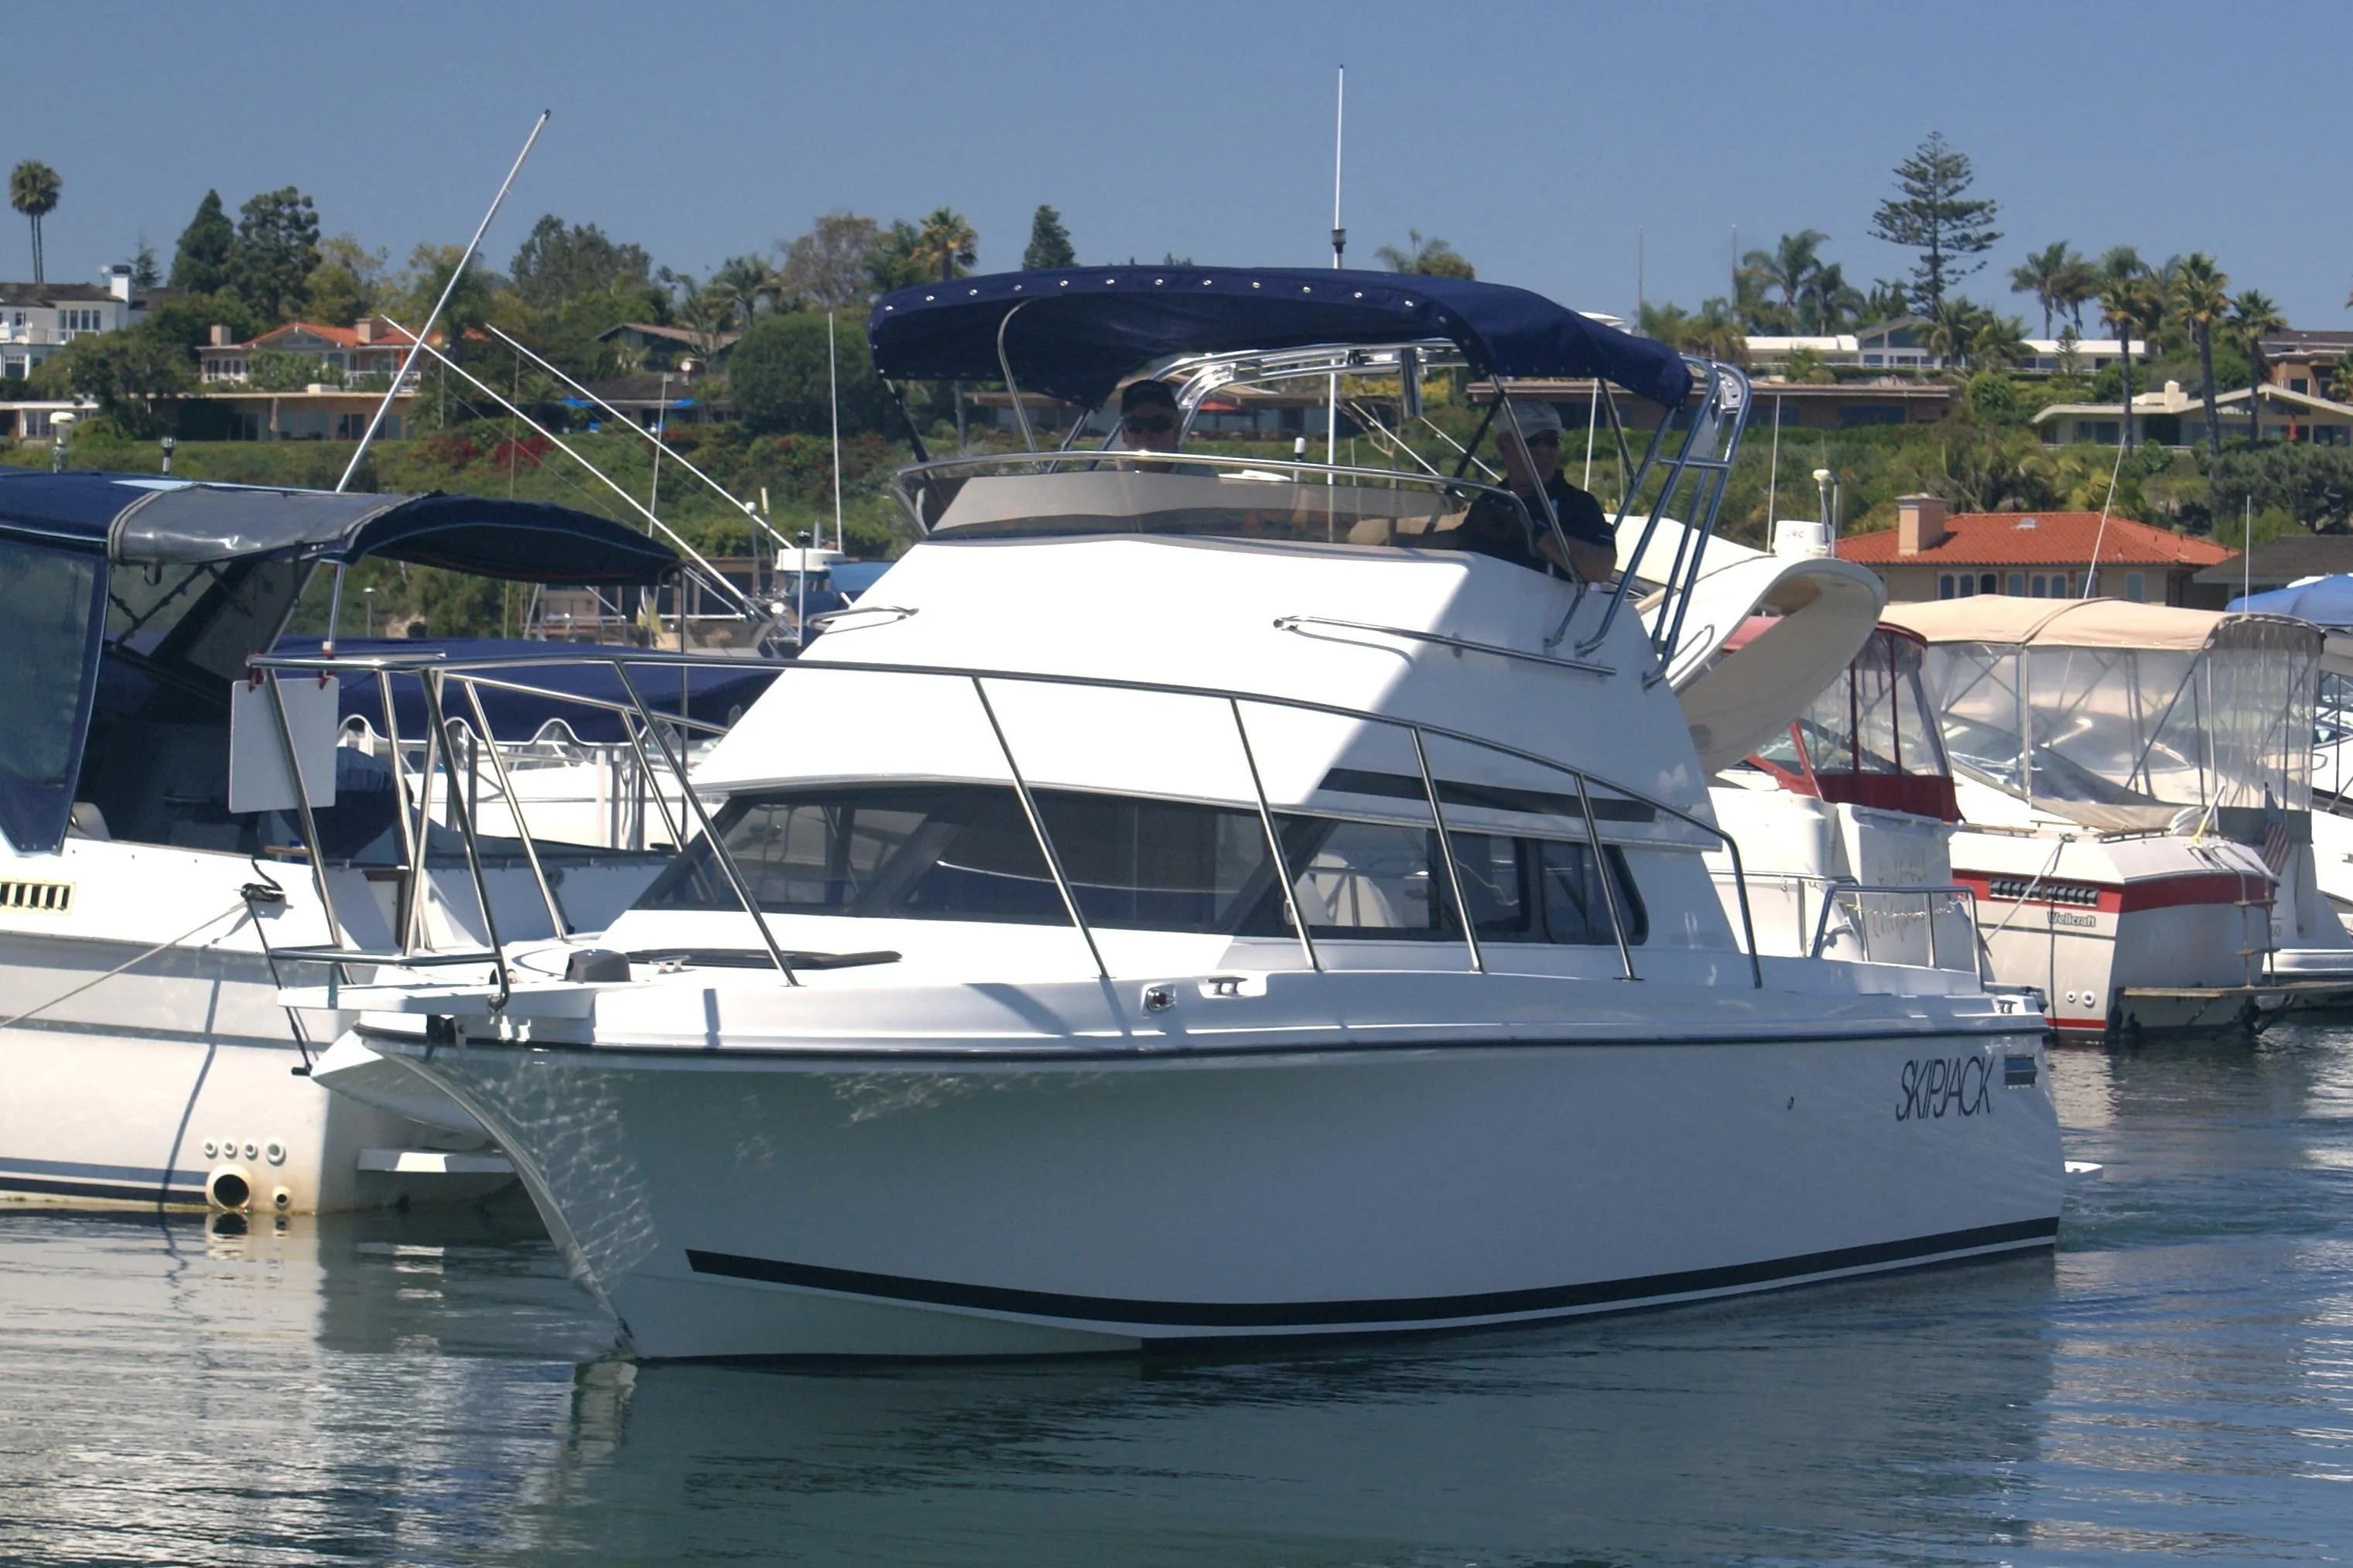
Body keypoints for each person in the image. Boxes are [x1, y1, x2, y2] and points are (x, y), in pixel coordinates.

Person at [1455, 397, 1616, 581]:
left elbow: (1601, 569)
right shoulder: (1487, 504)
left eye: (1551, 441)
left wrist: (1530, 531)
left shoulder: (1578, 504)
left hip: (1554, 608)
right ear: (1503, 446)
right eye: (1531, 441)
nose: (1543, 450)